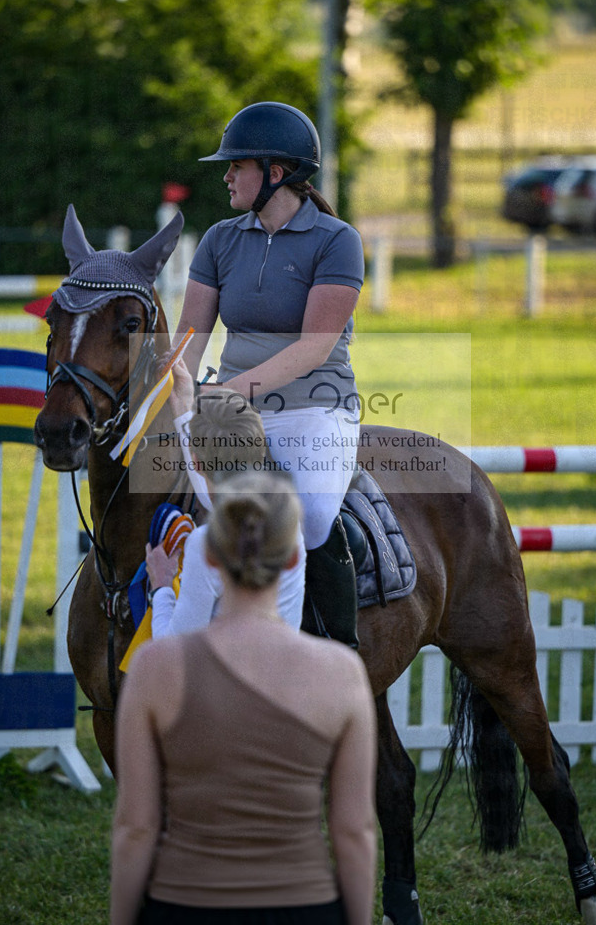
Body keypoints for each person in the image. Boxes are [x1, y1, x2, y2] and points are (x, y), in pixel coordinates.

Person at [111, 469, 377, 925]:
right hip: (301, 906)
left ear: (209, 556)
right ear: (295, 558)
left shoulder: (155, 670)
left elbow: (137, 827)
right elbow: (353, 832)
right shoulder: (342, 675)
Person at [172, 101, 365, 646]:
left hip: (313, 410)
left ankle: (337, 648)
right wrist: (180, 396)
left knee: (318, 516)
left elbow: (313, 348)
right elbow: (190, 334)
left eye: (237, 165)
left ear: (276, 173)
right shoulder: (218, 240)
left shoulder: (337, 240)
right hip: (228, 414)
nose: (226, 175)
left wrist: (225, 394)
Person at [145, 368, 306, 634]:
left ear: (195, 461)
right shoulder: (288, 524)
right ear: (260, 448)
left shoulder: (206, 542)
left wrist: (161, 586)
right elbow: (213, 495)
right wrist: (183, 403)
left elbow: (174, 646)